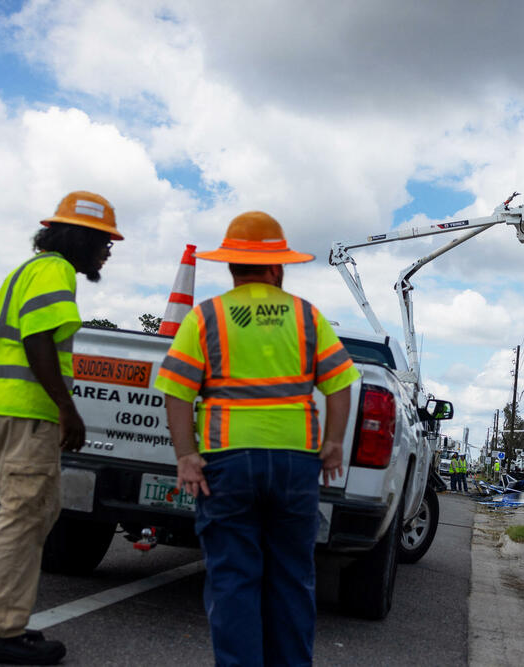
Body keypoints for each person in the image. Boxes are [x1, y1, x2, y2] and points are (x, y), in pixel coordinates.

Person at [155, 211, 359, 667]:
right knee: (291, 578)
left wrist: (186, 456)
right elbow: (341, 384)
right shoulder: (307, 315)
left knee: (233, 578)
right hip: (295, 465)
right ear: (277, 266)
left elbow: (176, 391)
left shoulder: (207, 316)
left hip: (226, 464)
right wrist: (333, 443)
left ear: (231, 266)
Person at [0, 191, 122, 665]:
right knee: (26, 515)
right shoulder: (55, 270)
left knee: (37, 513)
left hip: (10, 408)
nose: (108, 250)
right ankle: (0, 632)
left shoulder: (31, 269)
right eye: (105, 240)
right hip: (27, 410)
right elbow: (38, 338)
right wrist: (67, 409)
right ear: (81, 237)